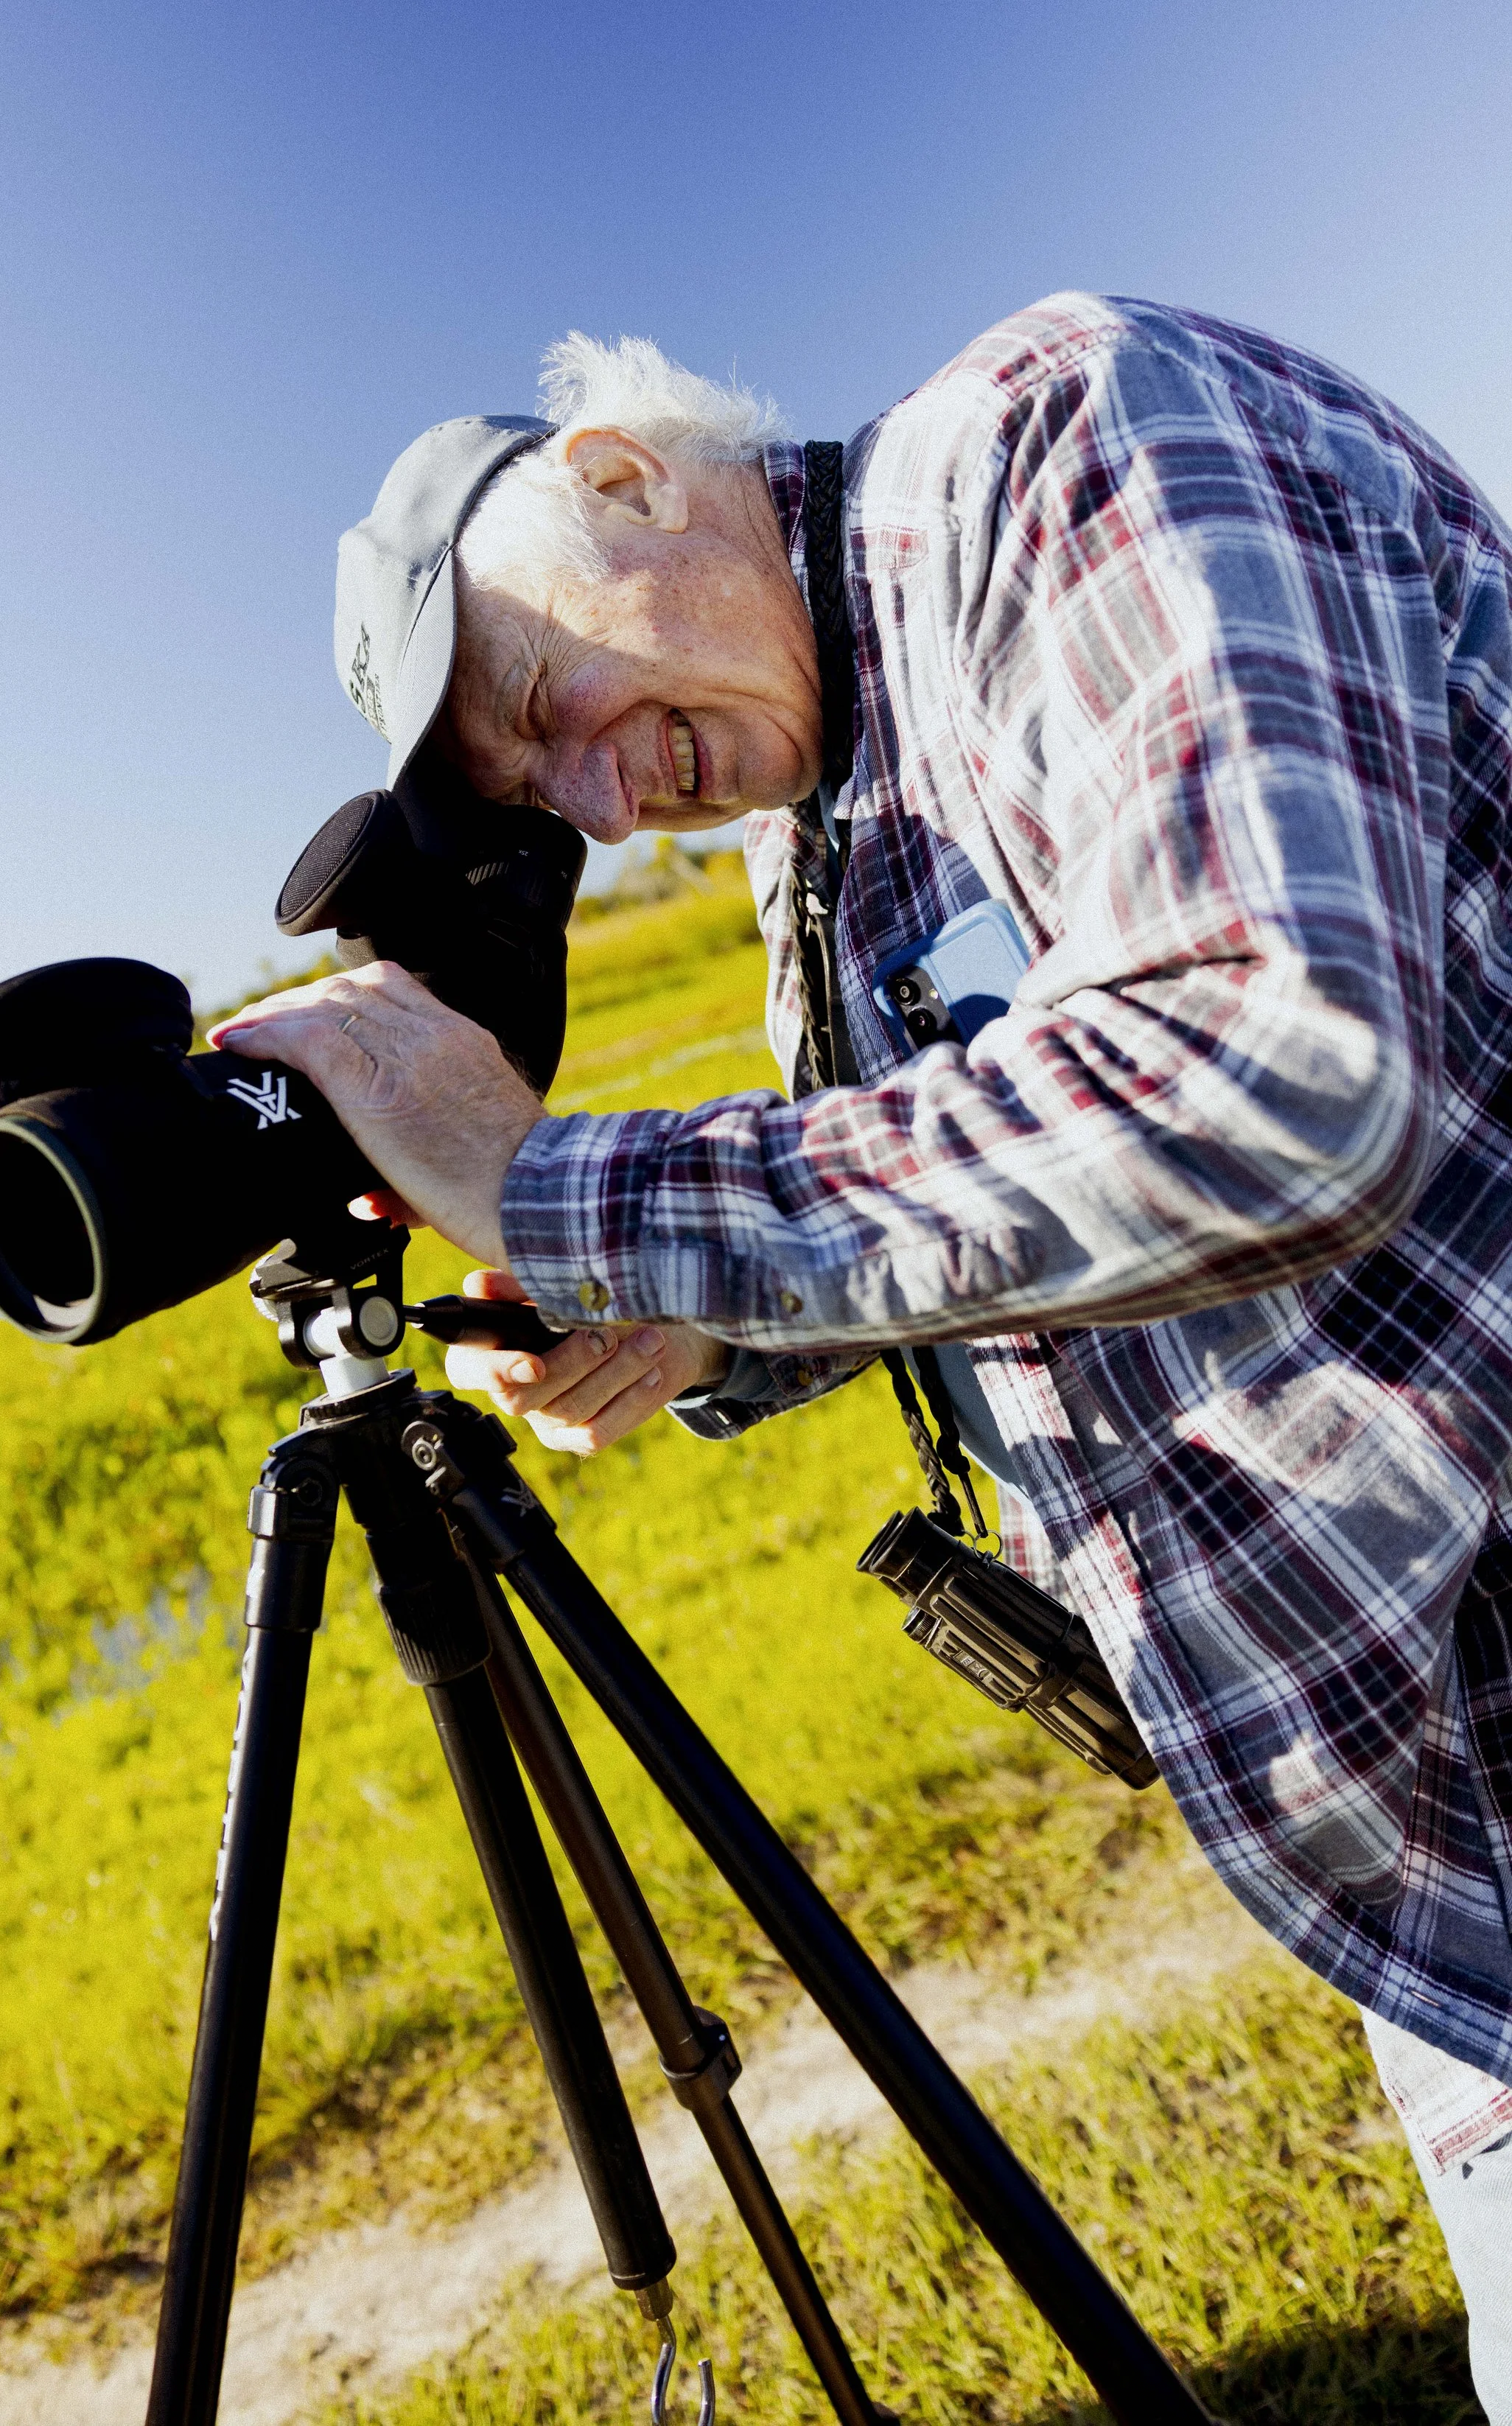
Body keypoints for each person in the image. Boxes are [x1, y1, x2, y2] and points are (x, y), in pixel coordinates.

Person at [213, 297, 1512, 2412]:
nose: (599, 797)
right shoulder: (824, 815)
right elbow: (985, 1183)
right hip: (1429, 1823)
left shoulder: (1050, 448)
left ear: (618, 464)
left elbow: (1278, 1066)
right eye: (537, 794)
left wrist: (555, 1185)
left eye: (542, 697)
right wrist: (688, 1309)